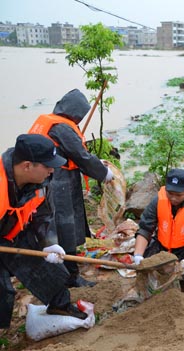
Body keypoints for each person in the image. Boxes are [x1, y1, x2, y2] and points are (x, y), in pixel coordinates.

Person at [1, 134, 89, 329]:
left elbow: (43, 215)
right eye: (47, 165)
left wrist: (48, 243)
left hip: (13, 233)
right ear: (27, 166)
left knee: (51, 271)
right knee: (2, 290)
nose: (52, 170)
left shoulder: (40, 183)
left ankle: (60, 306)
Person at [28, 89, 113, 288]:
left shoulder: (49, 121)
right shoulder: (62, 128)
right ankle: (70, 276)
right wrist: (103, 173)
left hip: (45, 176)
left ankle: (60, 265)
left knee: (53, 222)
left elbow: (73, 152)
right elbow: (81, 156)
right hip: (58, 180)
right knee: (64, 224)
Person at [132, 168, 184, 298]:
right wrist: (138, 255)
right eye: (170, 193)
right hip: (162, 247)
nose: (173, 198)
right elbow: (145, 228)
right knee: (145, 260)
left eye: (178, 195)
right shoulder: (159, 200)